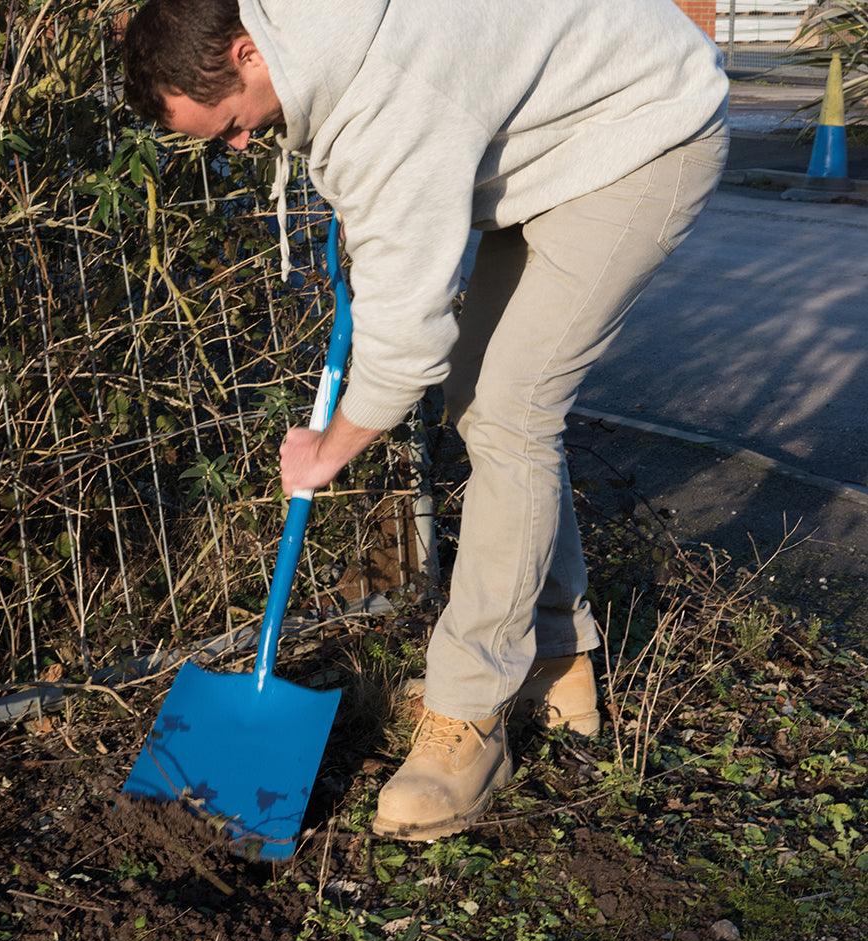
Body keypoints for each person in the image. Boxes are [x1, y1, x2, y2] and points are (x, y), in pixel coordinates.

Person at [123, 0, 729, 842]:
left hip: (639, 135)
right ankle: (556, 661)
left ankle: (468, 721)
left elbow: (408, 343)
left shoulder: (387, 100)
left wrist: (331, 448)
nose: (237, 145)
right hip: (558, 133)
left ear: (248, 51)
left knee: (513, 413)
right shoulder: (318, 43)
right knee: (483, 400)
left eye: (227, 124)